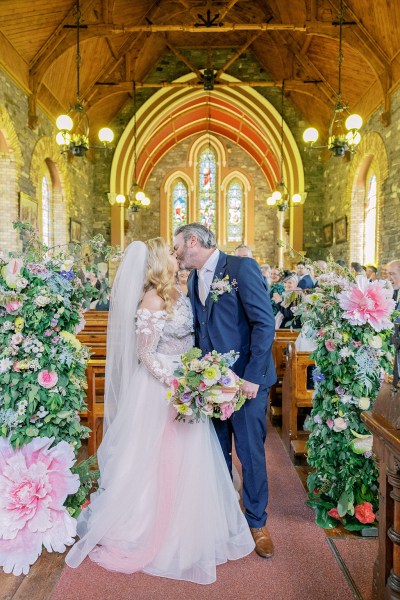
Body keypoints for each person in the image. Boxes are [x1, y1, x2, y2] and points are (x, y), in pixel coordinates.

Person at [65, 238, 254, 583]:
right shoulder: (152, 298)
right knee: (154, 460)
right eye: (169, 251)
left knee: (189, 459)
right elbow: (146, 355)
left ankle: (190, 527)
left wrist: (197, 375)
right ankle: (145, 528)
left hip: (185, 382)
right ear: (156, 261)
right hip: (160, 389)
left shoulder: (179, 291)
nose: (176, 254)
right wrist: (179, 383)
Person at [173, 223, 276, 559]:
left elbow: (263, 323)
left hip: (246, 384)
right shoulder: (192, 279)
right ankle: (223, 519)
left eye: (178, 246)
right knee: (217, 454)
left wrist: (252, 378)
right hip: (211, 385)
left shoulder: (240, 268)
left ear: (192, 242)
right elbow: (202, 330)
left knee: (250, 453)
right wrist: (198, 377)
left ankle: (257, 522)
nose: (176, 253)